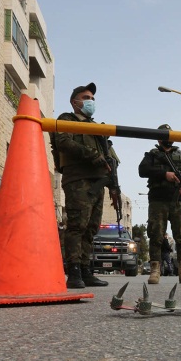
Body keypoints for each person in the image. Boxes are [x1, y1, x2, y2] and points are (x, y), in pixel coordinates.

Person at [53, 82, 117, 289]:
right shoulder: (66, 119)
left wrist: (114, 184)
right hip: (78, 179)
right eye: (86, 98)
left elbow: (110, 157)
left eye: (92, 99)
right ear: (75, 102)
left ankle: (85, 269)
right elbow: (64, 143)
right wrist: (93, 156)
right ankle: (73, 271)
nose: (91, 102)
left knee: (91, 228)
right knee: (77, 226)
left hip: (99, 182)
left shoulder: (98, 128)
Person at [139, 124, 181, 284]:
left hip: (178, 200)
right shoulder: (152, 155)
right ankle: (155, 271)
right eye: (164, 135)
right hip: (158, 200)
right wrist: (165, 174)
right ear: (158, 137)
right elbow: (142, 170)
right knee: (156, 235)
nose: (168, 138)